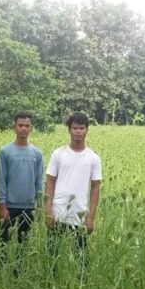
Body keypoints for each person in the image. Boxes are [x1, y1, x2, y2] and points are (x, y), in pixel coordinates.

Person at [45, 112, 102, 273]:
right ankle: (51, 284)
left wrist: (90, 217)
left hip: (80, 215)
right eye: (75, 128)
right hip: (58, 212)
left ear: (87, 130)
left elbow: (96, 186)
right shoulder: (58, 154)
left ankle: (80, 287)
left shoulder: (93, 158)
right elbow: (50, 181)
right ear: (69, 130)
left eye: (81, 128)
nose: (78, 131)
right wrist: (48, 210)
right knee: (52, 253)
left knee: (81, 256)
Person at [0, 111, 44, 275]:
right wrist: (2, 206)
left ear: (31, 128)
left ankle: (19, 274)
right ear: (14, 127)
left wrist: (40, 206)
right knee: (3, 243)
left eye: (27, 126)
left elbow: (39, 181)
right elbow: (1, 180)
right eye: (20, 125)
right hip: (9, 206)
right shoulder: (5, 152)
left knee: (24, 244)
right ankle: (0, 274)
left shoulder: (37, 153)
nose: (23, 129)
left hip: (29, 206)